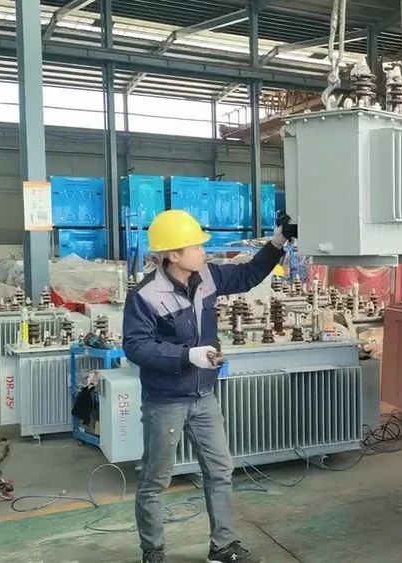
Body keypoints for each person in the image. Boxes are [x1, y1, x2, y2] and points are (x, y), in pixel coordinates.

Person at [123, 209, 289, 563]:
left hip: (203, 396)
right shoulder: (146, 294)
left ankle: (223, 547)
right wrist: (187, 356)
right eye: (196, 246)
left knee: (220, 471)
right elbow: (136, 346)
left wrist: (277, 242)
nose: (203, 251)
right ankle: (153, 551)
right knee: (155, 479)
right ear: (173, 254)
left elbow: (247, 275)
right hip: (165, 400)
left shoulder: (208, 276)